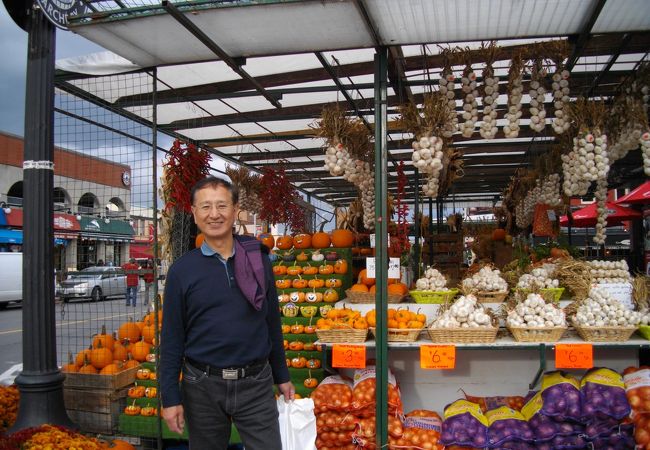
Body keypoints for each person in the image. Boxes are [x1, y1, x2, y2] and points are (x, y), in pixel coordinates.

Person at [160, 176, 294, 450]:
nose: (214, 214)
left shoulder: (257, 260)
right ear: (194, 213)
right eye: (205, 206)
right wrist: (170, 398)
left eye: (222, 205)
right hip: (202, 385)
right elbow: (172, 339)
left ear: (235, 210)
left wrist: (282, 376)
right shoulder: (182, 271)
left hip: (255, 382)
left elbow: (271, 322)